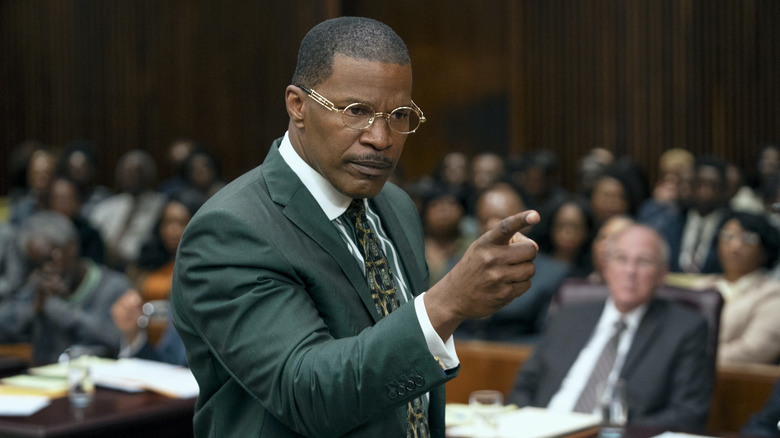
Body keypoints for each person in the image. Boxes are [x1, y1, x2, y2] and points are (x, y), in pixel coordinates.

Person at [171, 17, 538, 437]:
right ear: (297, 106)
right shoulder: (232, 229)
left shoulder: (395, 205)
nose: (380, 138)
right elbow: (306, 393)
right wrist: (448, 304)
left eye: (398, 115)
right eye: (356, 111)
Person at [508, 224, 713, 428]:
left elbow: (688, 414)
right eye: (621, 259)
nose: (630, 271)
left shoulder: (685, 329)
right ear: (606, 266)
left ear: (663, 273)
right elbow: (523, 389)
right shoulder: (568, 315)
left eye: (643, 262)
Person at [0, 211, 128, 365]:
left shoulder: (113, 287)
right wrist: (34, 308)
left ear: (71, 248)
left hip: (96, 381)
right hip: (42, 381)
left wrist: (56, 305)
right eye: (36, 264)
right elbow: (5, 329)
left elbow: (112, 341)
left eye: (49, 258)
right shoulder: (38, 286)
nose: (46, 268)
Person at [455, 183, 567, 342]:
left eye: (502, 221)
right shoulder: (457, 266)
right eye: (483, 220)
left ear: (525, 224)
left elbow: (549, 340)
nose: (491, 227)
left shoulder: (554, 274)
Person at [691, 212, 780, 364]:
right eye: (727, 236)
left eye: (747, 239)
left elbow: (754, 350)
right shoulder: (700, 286)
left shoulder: (773, 294)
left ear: (765, 249)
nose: (735, 246)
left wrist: (689, 358)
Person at [89, 149, 166, 270]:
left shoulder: (162, 206)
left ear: (150, 174)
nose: (133, 176)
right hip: (105, 267)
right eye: (127, 171)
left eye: (138, 171)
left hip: (146, 268)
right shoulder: (106, 207)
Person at [654, 156, 731, 274]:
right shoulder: (673, 220)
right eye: (700, 185)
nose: (705, 192)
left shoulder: (730, 224)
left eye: (713, 186)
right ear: (690, 186)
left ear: (724, 190)